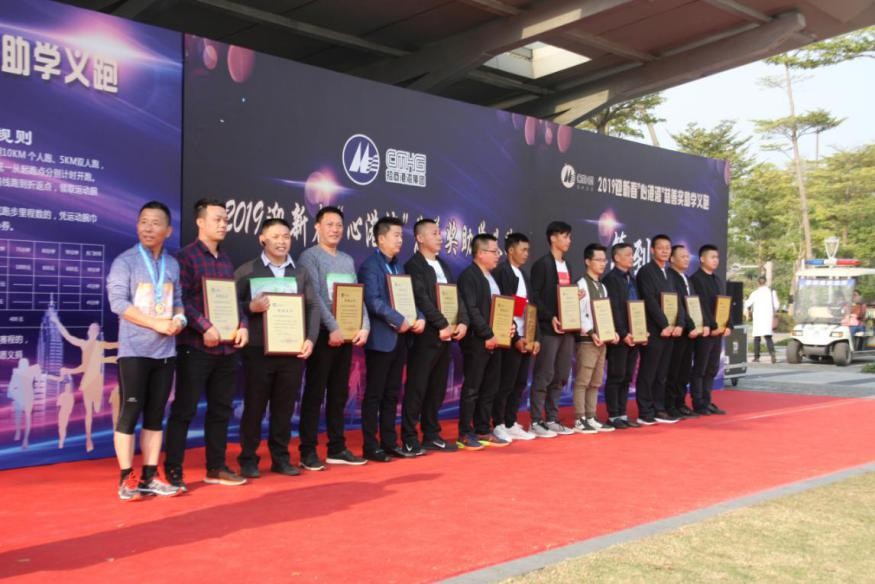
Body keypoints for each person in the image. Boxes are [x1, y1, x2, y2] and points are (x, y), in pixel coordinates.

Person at [164, 198, 249, 490]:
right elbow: (180, 300)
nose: (224, 224)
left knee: (221, 410)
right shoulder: (185, 257)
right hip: (196, 347)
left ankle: (216, 467)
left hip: (226, 349)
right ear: (200, 222)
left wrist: (243, 325)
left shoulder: (225, 260)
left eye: (226, 220)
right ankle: (173, 469)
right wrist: (205, 326)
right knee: (184, 410)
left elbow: (233, 300)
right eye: (217, 219)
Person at [105, 200, 186, 500]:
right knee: (129, 413)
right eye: (143, 222)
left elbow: (178, 301)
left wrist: (179, 320)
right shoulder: (125, 262)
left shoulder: (172, 265)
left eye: (155, 223)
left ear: (168, 230)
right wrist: (155, 323)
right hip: (134, 351)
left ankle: (150, 476)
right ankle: (127, 478)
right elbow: (118, 303)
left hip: (165, 352)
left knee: (155, 415)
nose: (148, 228)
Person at [234, 218, 320, 478]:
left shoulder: (300, 272)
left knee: (284, 408)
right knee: (254, 407)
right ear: (263, 239)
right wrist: (250, 307)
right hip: (257, 350)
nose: (282, 242)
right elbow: (230, 304)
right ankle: (248, 458)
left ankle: (280, 458)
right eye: (275, 236)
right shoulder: (247, 270)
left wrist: (311, 338)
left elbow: (313, 306)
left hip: (292, 351)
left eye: (286, 236)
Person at [297, 206, 369, 470]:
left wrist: (365, 325)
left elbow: (356, 296)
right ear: (317, 227)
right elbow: (314, 296)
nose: (335, 229)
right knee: (315, 394)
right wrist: (333, 327)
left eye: (339, 225)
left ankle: (337, 447)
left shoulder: (347, 260)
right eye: (329, 224)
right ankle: (307, 451)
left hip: (346, 336)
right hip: (322, 335)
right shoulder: (309, 257)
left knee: (339, 394)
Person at [358, 216, 425, 462]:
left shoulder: (398, 267)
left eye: (401, 235)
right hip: (381, 340)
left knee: (392, 393)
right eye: (396, 235)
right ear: (381, 238)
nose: (400, 240)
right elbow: (373, 301)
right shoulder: (370, 266)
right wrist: (399, 319)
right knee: (374, 394)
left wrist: (419, 317)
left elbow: (408, 298)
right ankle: (370, 445)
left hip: (400, 340)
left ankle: (389, 442)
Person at [403, 219, 469, 454]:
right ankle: (409, 437)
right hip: (426, 336)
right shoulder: (414, 266)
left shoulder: (443, 265)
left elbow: (455, 295)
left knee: (438, 388)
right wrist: (441, 323)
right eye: (434, 233)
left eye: (440, 233)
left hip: (447, 336)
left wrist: (463, 321)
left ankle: (431, 434)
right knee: (417, 387)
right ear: (420, 238)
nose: (440, 237)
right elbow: (421, 298)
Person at [528, 221, 579, 437]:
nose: (569, 241)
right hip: (549, 329)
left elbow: (565, 296)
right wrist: (551, 318)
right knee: (544, 374)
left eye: (569, 237)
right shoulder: (542, 265)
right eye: (565, 236)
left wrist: (576, 298)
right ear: (553, 238)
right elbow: (535, 297)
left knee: (561, 375)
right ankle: (535, 420)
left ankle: (551, 417)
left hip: (568, 329)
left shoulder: (568, 266)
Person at [456, 233, 507, 449]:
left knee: (489, 388)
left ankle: (483, 428)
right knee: (472, 388)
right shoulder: (469, 276)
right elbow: (471, 309)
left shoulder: (491, 277)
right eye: (494, 251)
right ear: (480, 253)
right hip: (477, 340)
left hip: (495, 340)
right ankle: (465, 432)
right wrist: (487, 334)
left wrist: (507, 328)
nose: (498, 255)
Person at [492, 233, 539, 442]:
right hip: (509, 338)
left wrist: (534, 338)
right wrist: (516, 338)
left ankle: (511, 422)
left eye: (528, 250)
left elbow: (531, 309)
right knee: (505, 383)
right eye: (523, 249)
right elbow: (503, 309)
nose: (527, 254)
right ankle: (499, 423)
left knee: (520, 383)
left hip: (525, 338)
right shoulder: (502, 273)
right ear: (511, 250)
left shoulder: (524, 275)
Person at [635, 234, 685, 425]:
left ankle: (659, 409)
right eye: (661, 247)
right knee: (649, 372)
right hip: (654, 330)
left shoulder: (669, 274)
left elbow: (677, 301)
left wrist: (679, 323)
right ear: (652, 250)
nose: (665, 251)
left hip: (670, 331)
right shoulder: (646, 272)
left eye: (668, 248)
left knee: (662, 373)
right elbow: (650, 301)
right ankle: (645, 411)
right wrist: (664, 325)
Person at [51, 317, 118, 452]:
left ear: (98, 332)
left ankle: (114, 434)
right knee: (89, 413)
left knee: (97, 409)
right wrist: (57, 322)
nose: (93, 330)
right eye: (91, 328)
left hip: (97, 382)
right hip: (88, 382)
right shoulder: (83, 344)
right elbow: (68, 336)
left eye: (95, 328)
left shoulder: (100, 344)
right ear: (88, 331)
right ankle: (88, 439)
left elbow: (116, 345)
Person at [572, 243, 618, 434]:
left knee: (596, 381)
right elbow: (579, 313)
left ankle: (591, 416)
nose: (602, 263)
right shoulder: (581, 284)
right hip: (587, 340)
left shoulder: (602, 287)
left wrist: (611, 332)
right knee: (583, 380)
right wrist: (592, 333)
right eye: (598, 260)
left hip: (602, 340)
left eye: (604, 260)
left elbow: (604, 313)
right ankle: (579, 418)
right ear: (587, 261)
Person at [601, 243, 642, 430]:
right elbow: (614, 309)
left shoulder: (632, 279)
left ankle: (622, 413)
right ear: (616, 258)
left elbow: (638, 307)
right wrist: (624, 333)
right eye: (628, 254)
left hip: (635, 335)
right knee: (616, 375)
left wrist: (640, 331)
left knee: (626, 376)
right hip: (620, 336)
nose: (632, 257)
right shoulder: (610, 279)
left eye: (632, 254)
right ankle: (613, 415)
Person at [690, 244, 732, 416]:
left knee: (712, 368)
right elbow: (699, 306)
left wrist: (728, 325)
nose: (715, 260)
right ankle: (698, 403)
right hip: (705, 331)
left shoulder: (717, 280)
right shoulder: (695, 279)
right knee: (700, 367)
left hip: (717, 332)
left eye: (717, 257)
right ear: (702, 259)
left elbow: (724, 304)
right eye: (712, 257)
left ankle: (707, 401)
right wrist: (712, 326)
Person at [665, 245, 703, 418]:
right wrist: (689, 324)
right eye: (682, 256)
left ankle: (680, 403)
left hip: (690, 332)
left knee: (684, 370)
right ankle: (670, 404)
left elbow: (692, 304)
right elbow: (678, 305)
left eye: (687, 256)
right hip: (678, 330)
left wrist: (698, 325)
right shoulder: (669, 277)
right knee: (673, 370)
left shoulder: (686, 278)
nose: (686, 259)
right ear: (672, 259)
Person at [744, 276, 780, 362]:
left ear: (758, 283)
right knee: (768, 337)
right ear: (766, 282)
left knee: (757, 338)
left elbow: (747, 304)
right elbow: (777, 306)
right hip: (768, 318)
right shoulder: (772, 292)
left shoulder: (755, 293)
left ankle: (756, 357)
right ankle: (772, 355)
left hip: (758, 318)